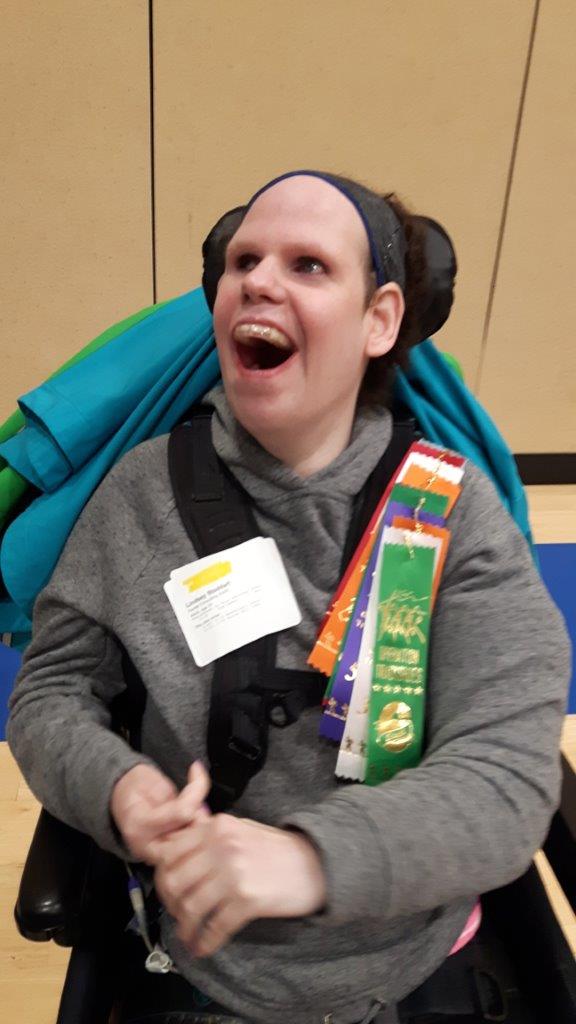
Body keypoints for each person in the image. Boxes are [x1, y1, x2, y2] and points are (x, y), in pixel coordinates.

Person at [7, 171, 571, 1024]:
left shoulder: (452, 511)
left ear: (380, 319)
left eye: (308, 265)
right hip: (203, 968)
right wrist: (116, 787)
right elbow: (51, 691)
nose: (258, 282)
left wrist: (309, 860)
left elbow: (506, 775)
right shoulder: (140, 495)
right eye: (244, 262)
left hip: (413, 963)